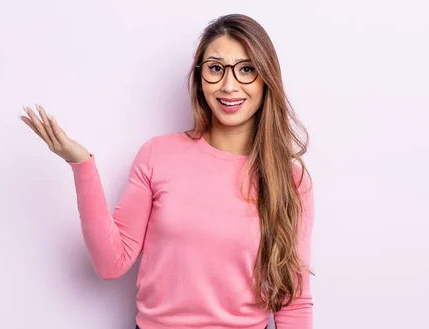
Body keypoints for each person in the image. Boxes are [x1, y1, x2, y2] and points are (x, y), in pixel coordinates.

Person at [19, 13, 314, 329]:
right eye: (216, 68)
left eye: (246, 69)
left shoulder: (291, 180)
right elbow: (110, 263)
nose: (230, 85)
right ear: (200, 78)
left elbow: (293, 303)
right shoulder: (158, 154)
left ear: (266, 78)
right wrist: (81, 165)